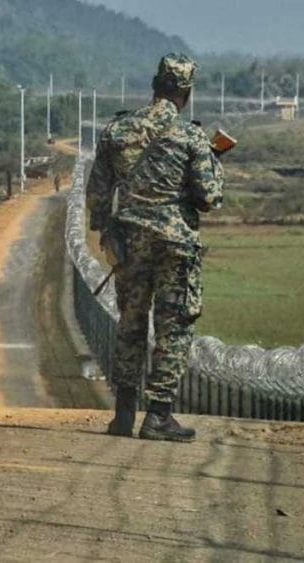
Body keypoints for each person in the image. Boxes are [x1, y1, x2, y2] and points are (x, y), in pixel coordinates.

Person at [86, 53, 224, 442]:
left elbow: (97, 194)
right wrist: (216, 162)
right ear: (186, 92)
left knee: (129, 325)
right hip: (175, 247)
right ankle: (159, 416)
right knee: (174, 329)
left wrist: (107, 232)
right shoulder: (190, 136)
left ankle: (124, 416)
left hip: (129, 243)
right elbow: (209, 198)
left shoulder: (116, 130)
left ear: (154, 85)